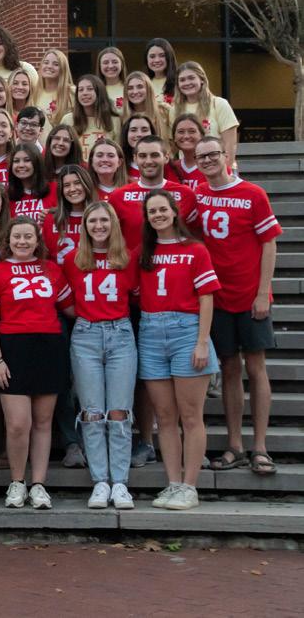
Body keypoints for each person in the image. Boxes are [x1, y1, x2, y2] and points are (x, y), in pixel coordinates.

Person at [193, 136, 281, 475]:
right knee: (229, 368)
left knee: (256, 367)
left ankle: (260, 446)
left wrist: (263, 292)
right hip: (217, 297)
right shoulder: (199, 195)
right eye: (201, 157)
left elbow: (269, 244)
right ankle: (235, 445)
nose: (207, 160)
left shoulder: (253, 193)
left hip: (249, 294)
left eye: (212, 154)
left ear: (225, 155)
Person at [0, 217, 74, 510]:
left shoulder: (52, 270)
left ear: (37, 241)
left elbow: (70, 308)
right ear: (8, 241)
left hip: (49, 347)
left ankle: (38, 484)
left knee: (43, 422)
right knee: (18, 424)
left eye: (28, 237)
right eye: (17, 237)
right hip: (12, 348)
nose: (22, 242)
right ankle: (17, 481)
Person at [138, 189, 221, 511]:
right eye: (152, 211)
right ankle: (173, 482)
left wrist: (202, 342)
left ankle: (190, 485)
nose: (158, 215)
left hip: (186, 330)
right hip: (150, 331)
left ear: (174, 212)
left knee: (190, 415)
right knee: (164, 416)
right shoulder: (143, 252)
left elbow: (206, 297)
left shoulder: (195, 249)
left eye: (162, 209)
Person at [62, 201, 139, 509]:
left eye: (104, 220)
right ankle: (100, 481)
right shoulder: (74, 259)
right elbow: (66, 302)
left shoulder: (127, 258)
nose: (98, 226)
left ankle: (120, 482)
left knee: (119, 412)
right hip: (86, 334)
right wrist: (87, 320)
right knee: (91, 412)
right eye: (92, 221)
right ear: (84, 226)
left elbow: (136, 295)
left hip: (120, 333)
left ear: (113, 224)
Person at [110, 136, 199, 252]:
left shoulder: (186, 194)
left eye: (154, 155)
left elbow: (195, 237)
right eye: (143, 156)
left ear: (166, 157)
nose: (148, 161)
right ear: (135, 159)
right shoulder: (118, 197)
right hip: (133, 262)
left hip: (174, 261)